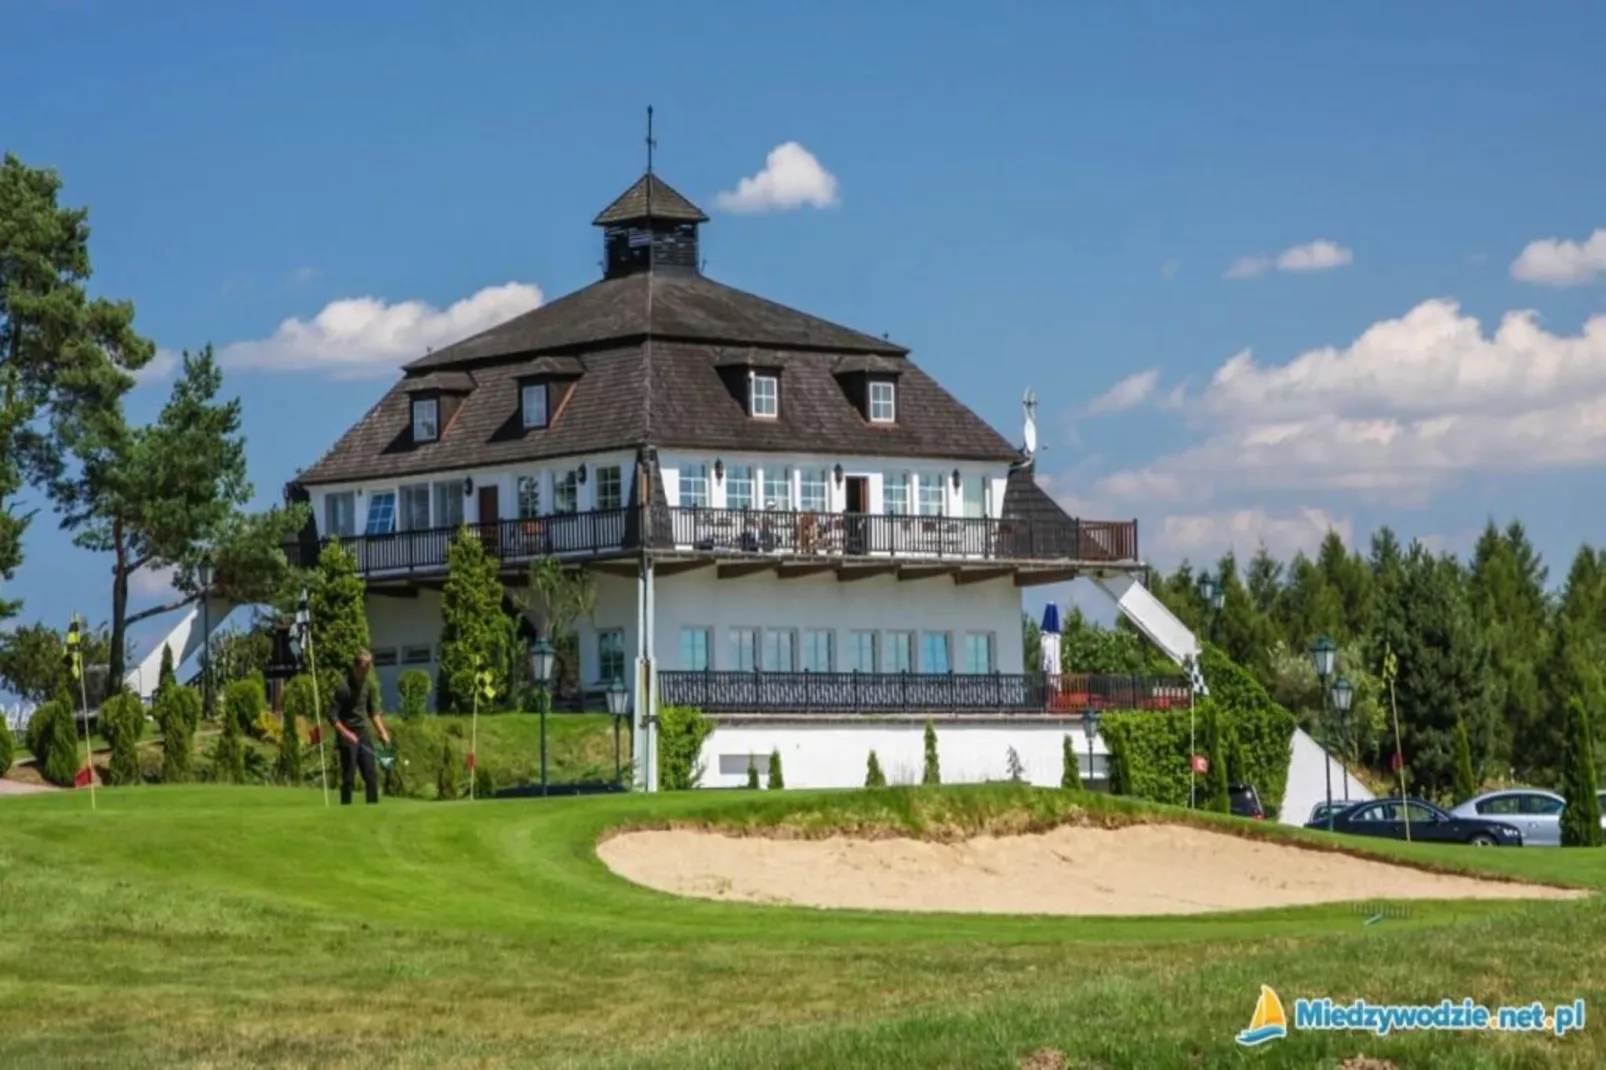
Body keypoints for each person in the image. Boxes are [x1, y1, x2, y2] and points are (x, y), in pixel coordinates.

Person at [329, 648, 391, 805]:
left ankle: (372, 810)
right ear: (356, 667)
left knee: (371, 774)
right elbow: (332, 716)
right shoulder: (343, 687)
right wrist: (346, 734)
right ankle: (345, 809)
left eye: (368, 670)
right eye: (364, 669)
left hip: (363, 733)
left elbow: (373, 712)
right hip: (347, 734)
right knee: (348, 777)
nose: (366, 673)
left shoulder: (368, 685)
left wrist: (382, 733)